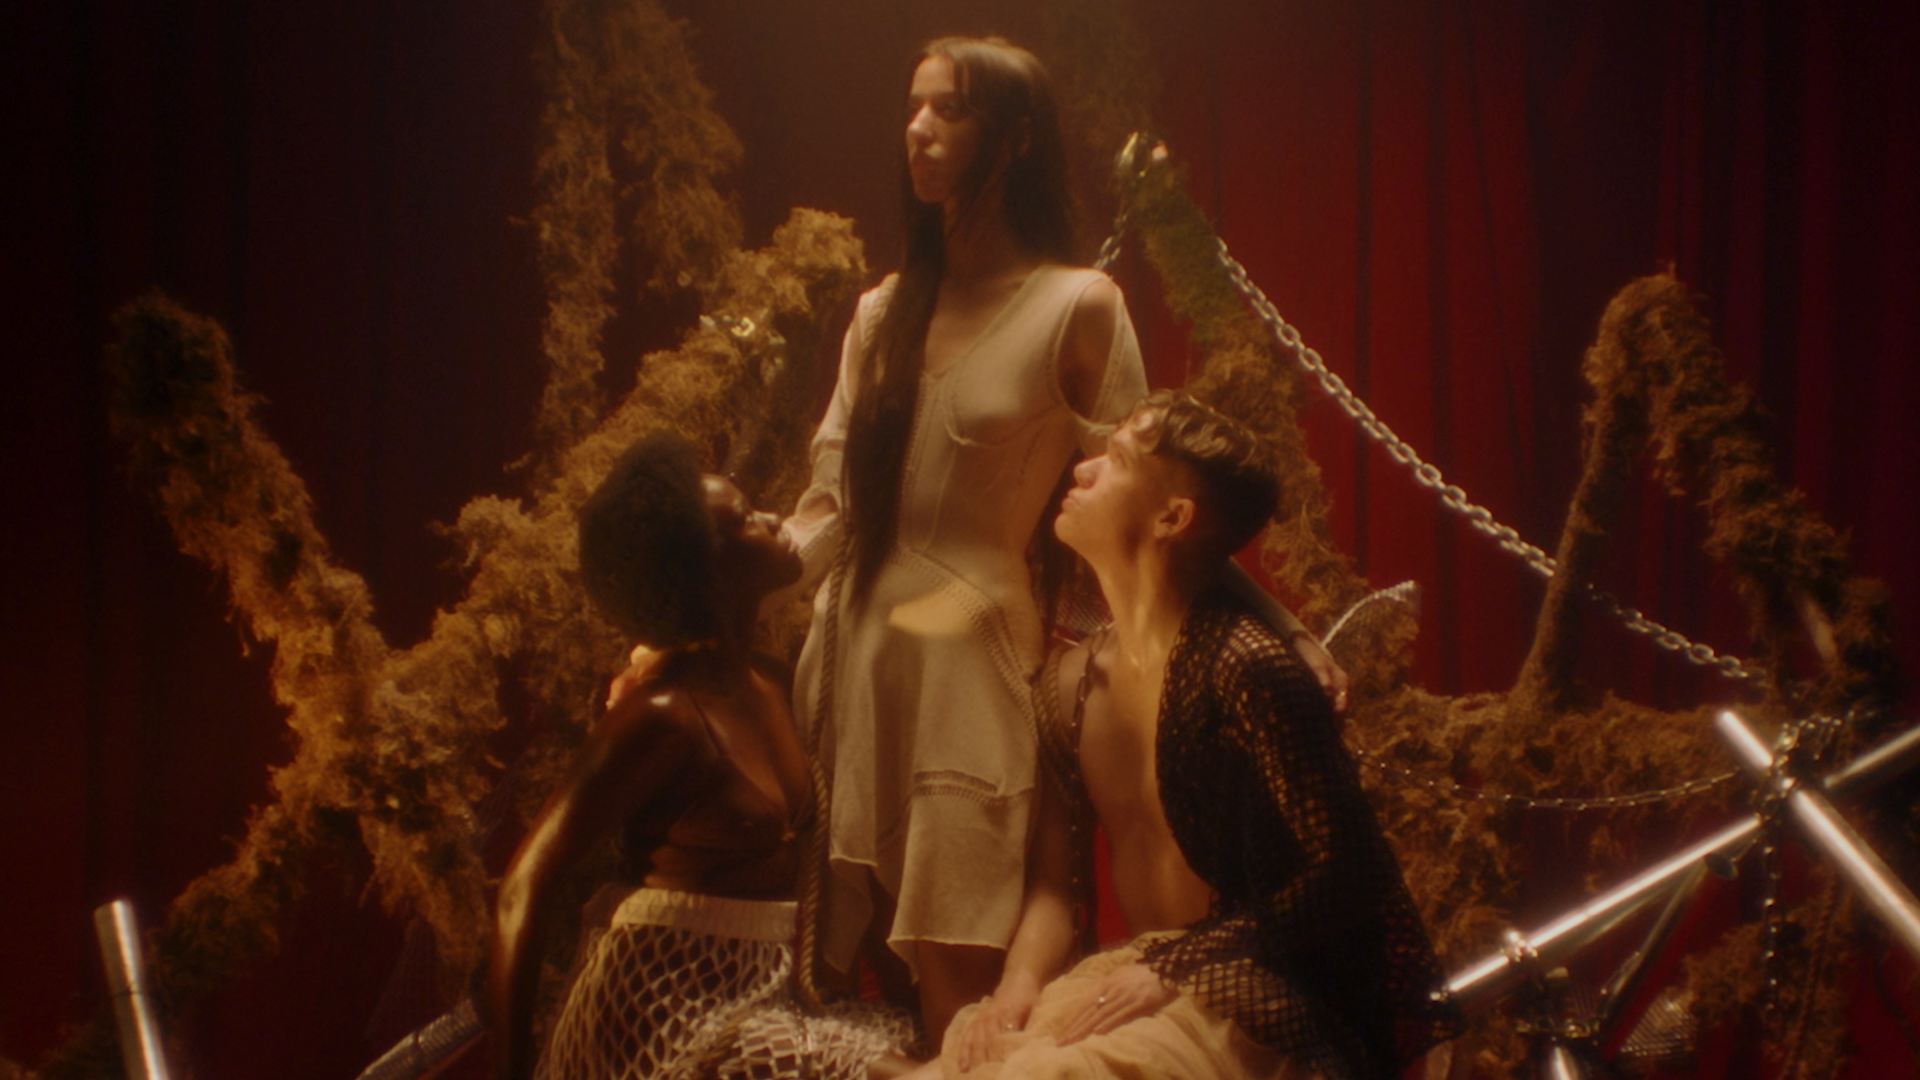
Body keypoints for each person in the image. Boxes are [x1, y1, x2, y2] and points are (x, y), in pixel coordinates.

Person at [782, 37, 1348, 1048]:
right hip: (853, 659)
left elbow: (1153, 501)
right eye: (913, 106)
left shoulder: (1075, 305)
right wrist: (694, 614)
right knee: (858, 1007)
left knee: (960, 1002)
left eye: (950, 110)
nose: (918, 130)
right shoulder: (881, 314)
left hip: (967, 664)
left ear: (1015, 139)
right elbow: (824, 506)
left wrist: (1286, 627)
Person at [919, 391, 1461, 1080]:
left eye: (1116, 460)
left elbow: (1349, 873)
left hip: (1261, 988)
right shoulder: (1068, 681)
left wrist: (1184, 968)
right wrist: (1015, 988)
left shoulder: (1244, 665)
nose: (1083, 469)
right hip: (1138, 975)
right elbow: (1055, 883)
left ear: (1172, 517)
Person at [489, 432, 908, 1080]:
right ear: (708, 572)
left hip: (757, 999)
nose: (774, 519)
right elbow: (525, 885)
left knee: (931, 1048)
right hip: (659, 1013)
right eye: (745, 519)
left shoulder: (772, 683)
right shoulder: (663, 718)